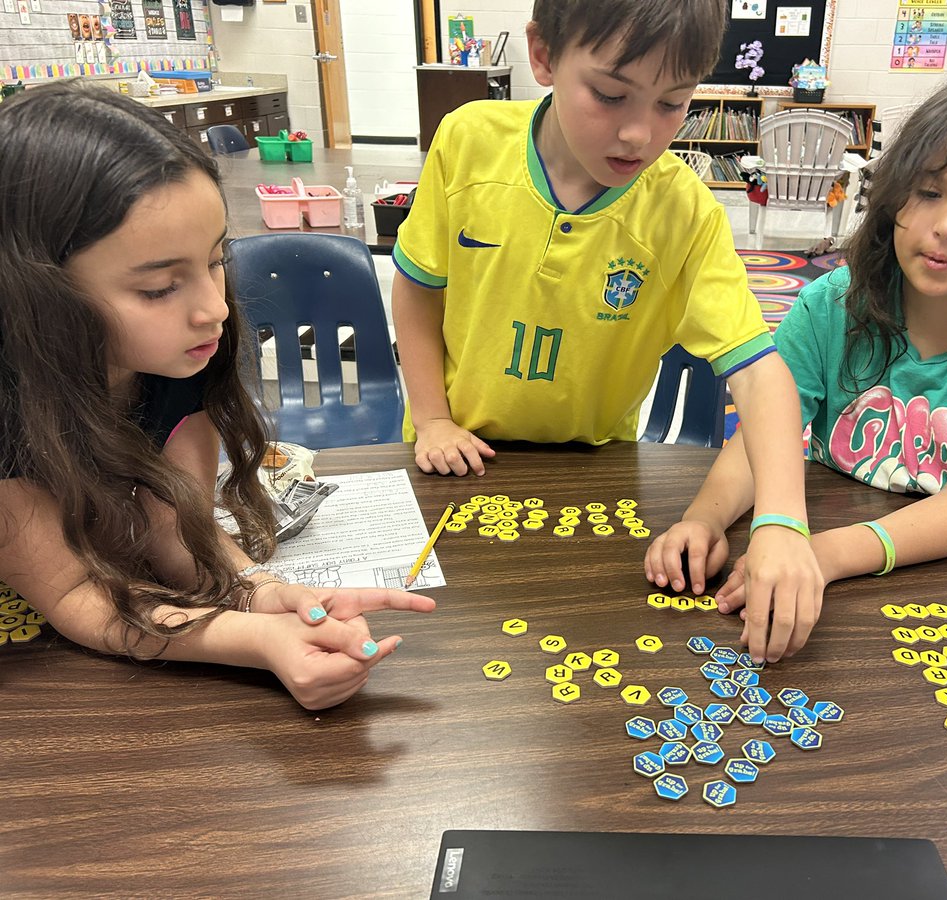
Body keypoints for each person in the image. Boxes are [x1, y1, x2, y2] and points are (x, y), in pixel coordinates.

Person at [392, 0, 818, 662]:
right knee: (444, 650)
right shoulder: (468, 140)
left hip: (595, 470)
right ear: (544, 57)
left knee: (589, 639)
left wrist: (784, 522)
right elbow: (419, 291)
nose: (638, 136)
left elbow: (760, 373)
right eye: (610, 95)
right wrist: (433, 418)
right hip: (453, 459)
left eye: (672, 104)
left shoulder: (684, 212)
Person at [0, 82, 435, 710]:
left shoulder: (178, 357)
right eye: (158, 289)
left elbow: (176, 525)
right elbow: (72, 594)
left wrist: (262, 592)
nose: (213, 310)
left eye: (215, 260)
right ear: (39, 296)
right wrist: (252, 640)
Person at [646, 77, 947, 657]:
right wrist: (705, 518)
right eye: (927, 192)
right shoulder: (834, 303)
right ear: (893, 196)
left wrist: (821, 552)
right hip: (827, 561)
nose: (946, 226)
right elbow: (768, 431)